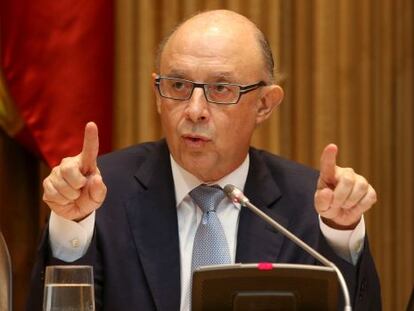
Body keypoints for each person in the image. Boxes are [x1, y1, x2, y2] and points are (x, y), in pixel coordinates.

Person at [28, 9, 381, 311]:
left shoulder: (309, 205)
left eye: (220, 89)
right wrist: (71, 228)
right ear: (157, 94)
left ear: (264, 104)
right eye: (178, 86)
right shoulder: (101, 196)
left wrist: (340, 235)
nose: (195, 110)